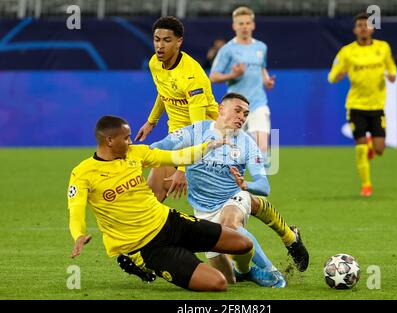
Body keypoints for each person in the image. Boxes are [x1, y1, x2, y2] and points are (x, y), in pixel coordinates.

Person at [67, 115, 258, 292]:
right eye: (126, 138)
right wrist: (79, 235)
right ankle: (141, 263)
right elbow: (76, 209)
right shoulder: (83, 173)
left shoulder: (136, 154)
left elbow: (175, 157)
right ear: (109, 141)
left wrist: (207, 147)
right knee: (218, 283)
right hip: (147, 247)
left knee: (244, 244)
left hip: (169, 221)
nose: (130, 142)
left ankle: (241, 270)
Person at [148, 93, 309, 286]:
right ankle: (246, 271)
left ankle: (272, 273)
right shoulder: (195, 132)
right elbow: (159, 146)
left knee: (230, 224)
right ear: (221, 109)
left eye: (246, 114)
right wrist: (132, 156)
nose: (242, 117)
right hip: (203, 212)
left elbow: (264, 185)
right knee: (228, 279)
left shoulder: (247, 143)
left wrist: (245, 185)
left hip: (233, 198)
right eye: (238, 110)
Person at [135, 16, 219, 203]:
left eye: (167, 40)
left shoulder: (192, 77)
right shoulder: (155, 63)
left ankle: (285, 230)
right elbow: (163, 93)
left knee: (224, 200)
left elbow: (197, 129)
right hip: (177, 138)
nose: (160, 46)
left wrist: (182, 169)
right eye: (157, 40)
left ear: (179, 41)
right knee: (152, 196)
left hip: (207, 140)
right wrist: (151, 121)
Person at [328, 13, 397, 197]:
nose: (363, 28)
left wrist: (392, 74)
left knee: (379, 149)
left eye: (366, 25)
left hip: (376, 106)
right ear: (354, 30)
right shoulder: (347, 52)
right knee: (360, 145)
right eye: (359, 25)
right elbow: (332, 76)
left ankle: (369, 147)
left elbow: (391, 67)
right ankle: (366, 185)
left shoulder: (383, 48)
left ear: (372, 28)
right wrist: (339, 75)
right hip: (356, 105)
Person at [209, 6, 275, 168]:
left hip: (258, 104)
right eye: (240, 23)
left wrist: (266, 81)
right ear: (234, 26)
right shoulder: (227, 50)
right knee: (229, 153)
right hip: (235, 107)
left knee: (262, 150)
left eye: (247, 23)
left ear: (253, 25)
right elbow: (213, 76)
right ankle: (233, 188)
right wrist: (233, 75)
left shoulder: (261, 47)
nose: (244, 27)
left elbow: (261, 67)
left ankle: (260, 191)